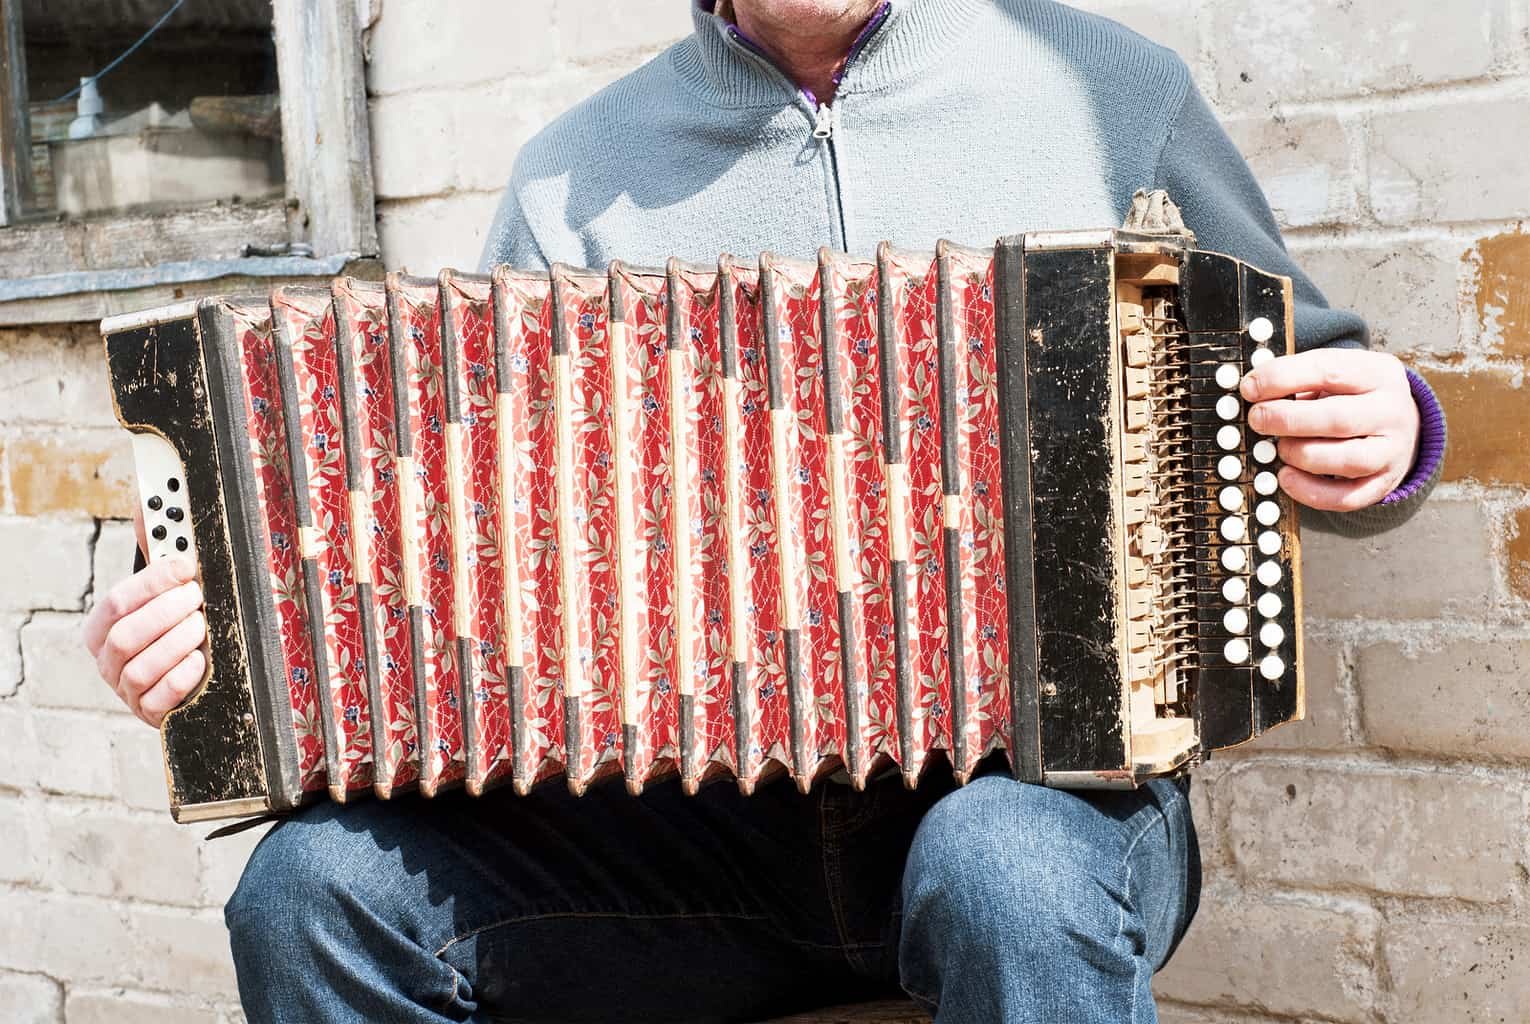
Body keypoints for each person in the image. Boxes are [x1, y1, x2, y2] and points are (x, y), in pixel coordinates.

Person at [83, 2, 1446, 1021]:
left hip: (1045, 794)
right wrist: (225, 634)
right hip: (695, 835)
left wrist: (1388, 430)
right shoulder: (577, 170)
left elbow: (1298, 387)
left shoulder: (1107, 89)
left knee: (1000, 875)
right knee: (314, 891)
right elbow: (446, 516)